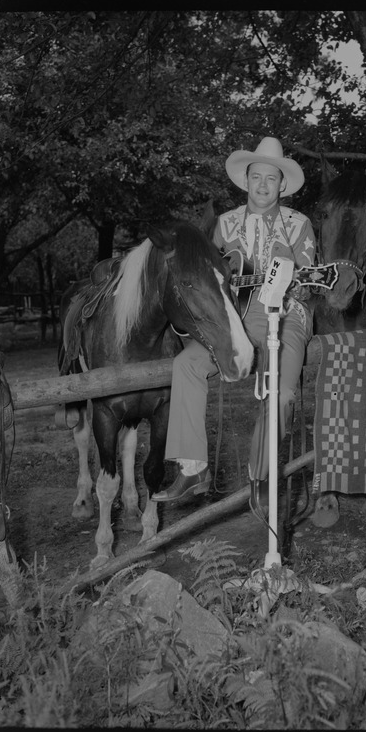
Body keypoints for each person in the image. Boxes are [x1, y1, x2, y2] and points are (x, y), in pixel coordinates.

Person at [151, 137, 316, 512]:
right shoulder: (223, 224)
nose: (262, 185)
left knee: (283, 393)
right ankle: (193, 468)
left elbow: (307, 288)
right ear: (246, 180)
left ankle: (261, 477)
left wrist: (287, 265)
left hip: (285, 314)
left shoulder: (298, 225)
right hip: (234, 318)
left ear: (282, 185)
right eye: (256, 177)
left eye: (270, 179)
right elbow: (210, 280)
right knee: (186, 364)